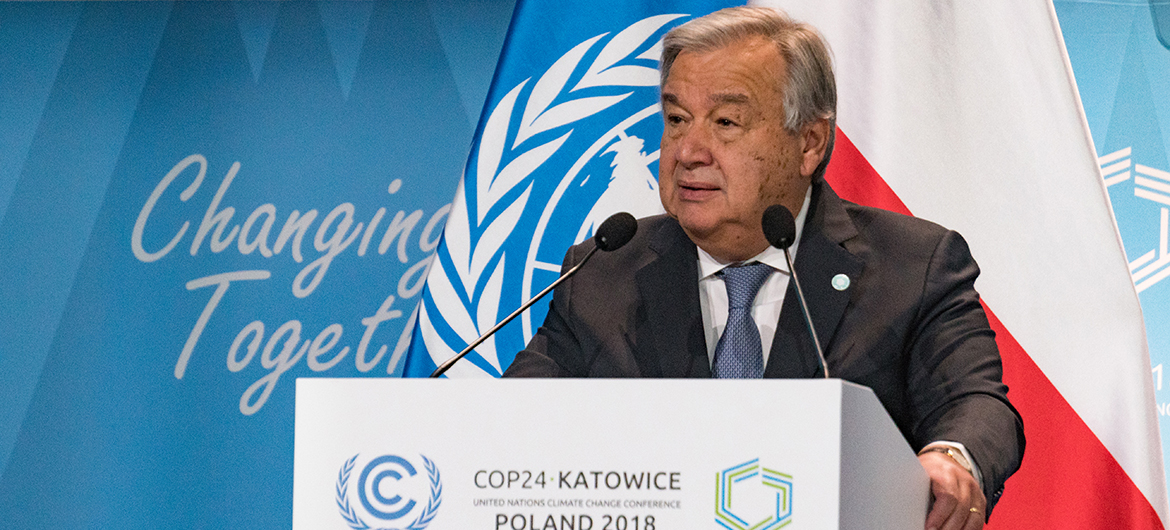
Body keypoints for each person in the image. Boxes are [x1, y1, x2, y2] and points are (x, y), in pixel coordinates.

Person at [503, 7, 1024, 530]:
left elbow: (975, 402)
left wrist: (952, 459)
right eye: (676, 119)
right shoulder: (604, 269)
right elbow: (511, 422)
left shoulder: (913, 266)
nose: (687, 151)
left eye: (726, 122)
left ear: (809, 143)